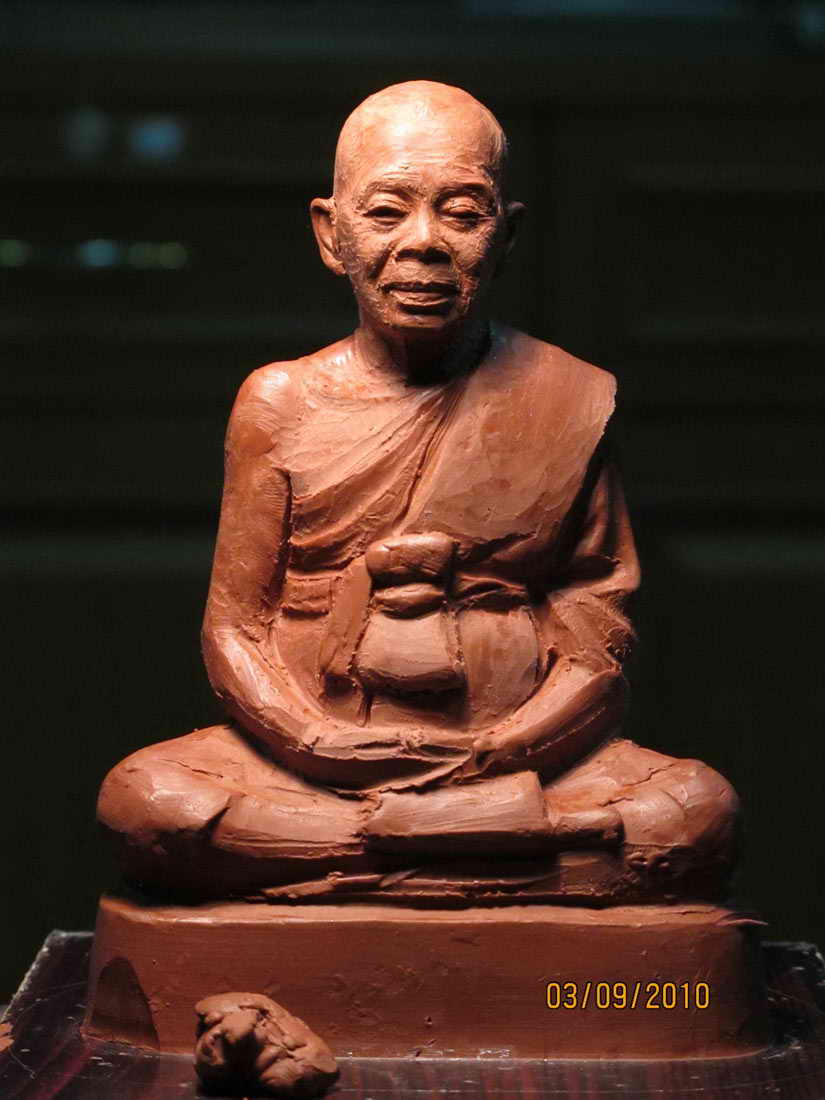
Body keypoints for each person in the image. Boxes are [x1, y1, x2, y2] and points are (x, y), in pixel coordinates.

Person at [99, 82, 738, 903]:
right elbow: (235, 626)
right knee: (147, 804)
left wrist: (506, 747)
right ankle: (494, 857)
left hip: (518, 759)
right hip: (315, 766)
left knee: (694, 813)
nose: (423, 244)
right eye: (385, 212)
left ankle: (374, 857)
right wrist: (316, 742)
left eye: (462, 214)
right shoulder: (278, 403)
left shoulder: (569, 397)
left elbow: (596, 627)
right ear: (330, 234)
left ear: (505, 235)